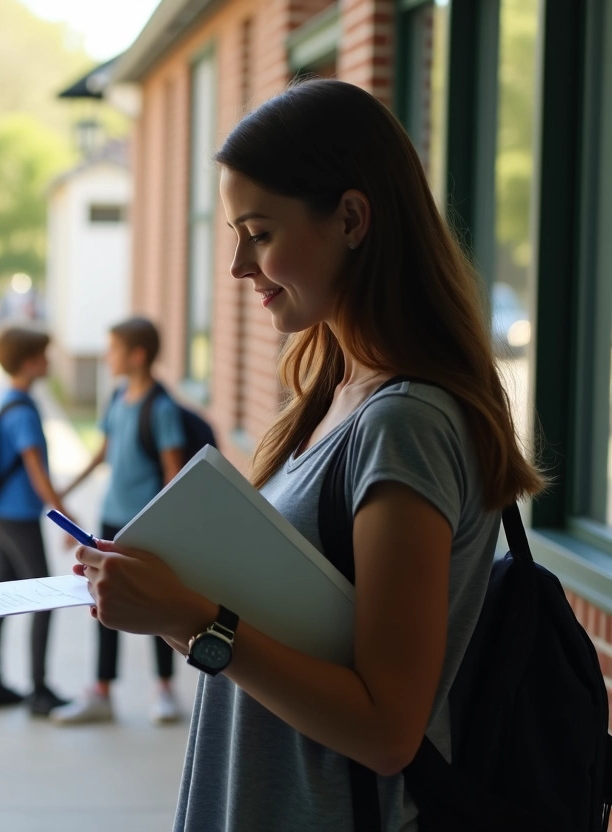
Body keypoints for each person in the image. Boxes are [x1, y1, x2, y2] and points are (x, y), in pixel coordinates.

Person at [74, 78, 543, 830]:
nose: (237, 266)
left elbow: (389, 731)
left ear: (352, 218)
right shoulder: (332, 395)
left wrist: (193, 619)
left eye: (259, 232)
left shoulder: (406, 424)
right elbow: (290, 642)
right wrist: (160, 602)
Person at [51, 317, 185, 726]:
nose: (107, 356)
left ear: (137, 355)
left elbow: (173, 473)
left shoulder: (161, 409)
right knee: (102, 602)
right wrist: (63, 492)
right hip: (110, 518)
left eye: (113, 349)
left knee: (157, 605)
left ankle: (164, 688)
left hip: (144, 526)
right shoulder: (117, 397)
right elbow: (102, 453)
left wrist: (165, 525)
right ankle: (103, 691)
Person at [0, 323, 72, 717]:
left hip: (3, 513)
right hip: (18, 516)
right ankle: (38, 689)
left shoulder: (6, 398)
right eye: (44, 355)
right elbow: (37, 473)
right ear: (30, 361)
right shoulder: (23, 410)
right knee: (45, 599)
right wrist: (67, 518)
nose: (49, 361)